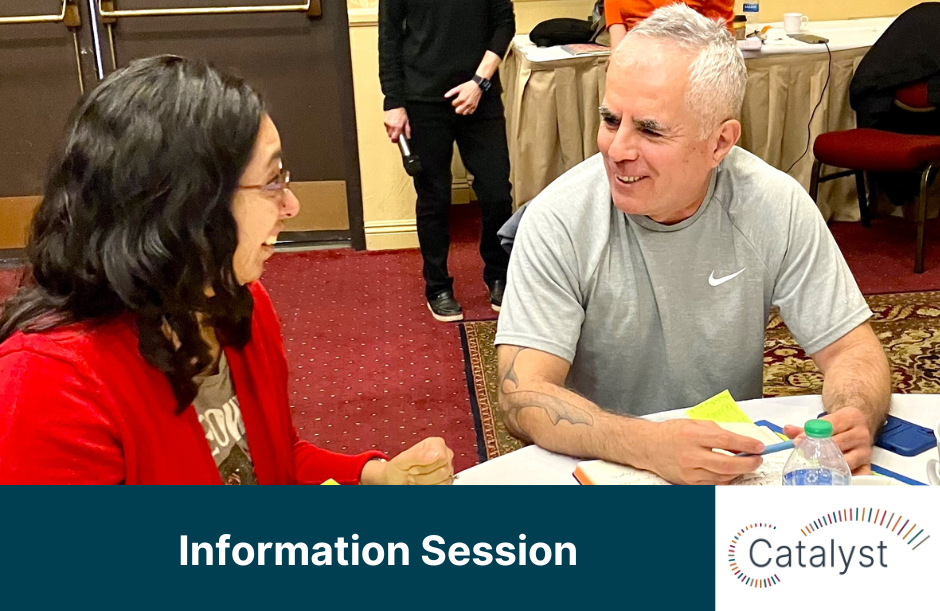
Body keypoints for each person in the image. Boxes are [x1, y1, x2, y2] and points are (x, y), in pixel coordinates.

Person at [0, 56, 454, 485]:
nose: (291, 205)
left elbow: (268, 464)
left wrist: (373, 474)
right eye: (272, 181)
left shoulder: (237, 302)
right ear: (187, 206)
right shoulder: (50, 386)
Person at [494, 5, 891, 485]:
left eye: (650, 129)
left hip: (727, 470)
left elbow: (853, 350)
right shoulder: (559, 218)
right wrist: (647, 445)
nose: (617, 149)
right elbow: (523, 395)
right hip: (603, 468)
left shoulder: (773, 203)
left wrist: (853, 415)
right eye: (610, 119)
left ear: (720, 142)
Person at [379, 0, 515, 322]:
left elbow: (504, 23)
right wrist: (393, 102)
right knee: (434, 198)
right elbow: (389, 38)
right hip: (422, 99)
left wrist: (479, 83)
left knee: (497, 192)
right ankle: (438, 286)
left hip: (480, 96)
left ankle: (498, 275)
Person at [605, 0, 734, 49]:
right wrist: (618, 52)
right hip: (632, 58)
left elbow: (720, 38)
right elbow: (615, 8)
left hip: (688, 62)